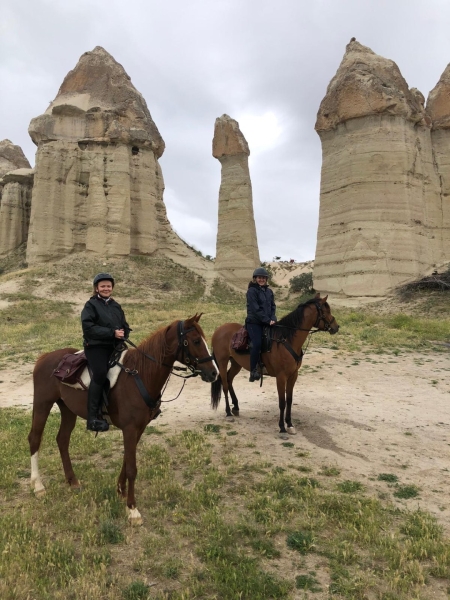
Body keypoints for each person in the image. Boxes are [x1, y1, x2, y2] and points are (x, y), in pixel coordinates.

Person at [81, 273, 131, 432]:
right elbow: (88, 328)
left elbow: (124, 325)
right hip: (96, 347)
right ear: (96, 288)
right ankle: (92, 418)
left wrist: (124, 333)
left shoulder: (116, 306)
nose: (106, 288)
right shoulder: (90, 305)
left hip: (115, 346)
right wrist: (112, 333)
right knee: (101, 374)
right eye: (102, 286)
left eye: (108, 286)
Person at [245, 267, 276, 382]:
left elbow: (273, 306)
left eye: (263, 278)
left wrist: (273, 318)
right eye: (259, 278)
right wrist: (267, 320)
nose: (261, 279)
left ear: (266, 279)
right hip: (254, 322)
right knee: (257, 343)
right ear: (255, 279)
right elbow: (255, 309)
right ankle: (253, 370)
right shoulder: (252, 291)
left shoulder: (269, 292)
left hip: (267, 320)